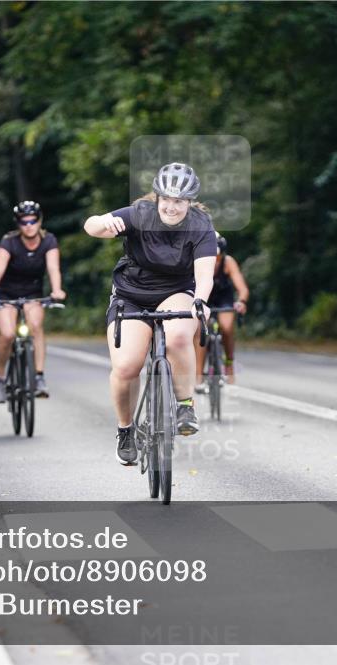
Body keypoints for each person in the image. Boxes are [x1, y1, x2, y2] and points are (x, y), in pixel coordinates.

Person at [84, 162, 216, 466]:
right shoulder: (139, 214)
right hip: (130, 295)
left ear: (190, 201)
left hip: (176, 292)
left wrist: (200, 301)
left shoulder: (200, 225)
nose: (171, 207)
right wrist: (103, 221)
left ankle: (185, 406)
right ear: (157, 197)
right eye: (166, 199)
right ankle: (125, 430)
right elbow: (91, 226)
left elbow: (204, 274)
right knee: (126, 367)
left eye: (179, 201)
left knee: (179, 335)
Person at [0, 200, 66, 401]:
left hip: (33, 294)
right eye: (23, 222)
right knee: (8, 334)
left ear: (39, 221)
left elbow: (53, 268)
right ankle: (0, 379)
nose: (28, 225)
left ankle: (39, 377)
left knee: (36, 327)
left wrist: (57, 290)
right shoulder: (8, 242)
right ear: (18, 223)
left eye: (32, 221)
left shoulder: (49, 241)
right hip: (6, 295)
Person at [195, 233, 249, 391]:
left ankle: (229, 363)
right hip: (203, 298)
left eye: (218, 257)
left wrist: (241, 301)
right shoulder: (195, 261)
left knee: (227, 327)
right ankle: (198, 375)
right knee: (201, 331)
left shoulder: (228, 262)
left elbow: (242, 288)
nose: (214, 261)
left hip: (223, 299)